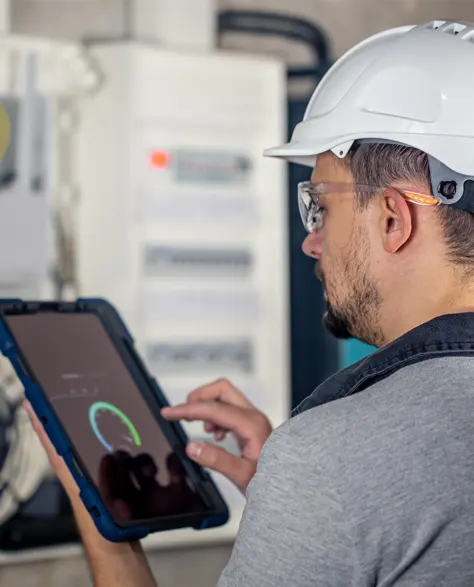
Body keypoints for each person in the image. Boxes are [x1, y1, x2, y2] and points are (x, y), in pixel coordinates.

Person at [25, 18, 474, 586]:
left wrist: (103, 518)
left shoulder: (329, 462)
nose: (311, 240)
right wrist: (298, 499)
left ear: (393, 217)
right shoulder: (330, 468)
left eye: (321, 207)